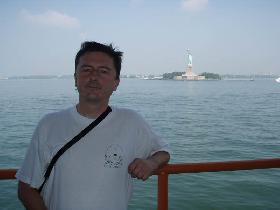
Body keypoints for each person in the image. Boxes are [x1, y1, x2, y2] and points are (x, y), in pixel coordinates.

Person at [16, 41, 170, 210]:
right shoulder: (49, 124)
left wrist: (151, 163)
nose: (94, 77)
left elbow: (163, 152)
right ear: (75, 77)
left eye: (103, 71)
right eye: (86, 69)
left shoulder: (131, 121)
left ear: (116, 82)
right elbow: (26, 188)